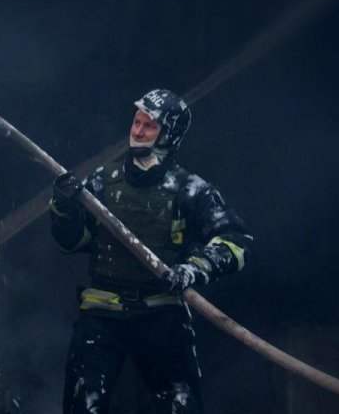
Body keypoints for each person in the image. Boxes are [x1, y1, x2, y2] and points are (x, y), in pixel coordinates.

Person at [49, 89, 252, 414]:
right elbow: (71, 243)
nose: (138, 130)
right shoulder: (102, 181)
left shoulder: (191, 189)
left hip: (162, 313)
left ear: (169, 135)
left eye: (149, 126)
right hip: (102, 313)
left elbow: (236, 241)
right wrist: (63, 208)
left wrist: (193, 269)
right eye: (136, 121)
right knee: (82, 406)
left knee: (181, 405)